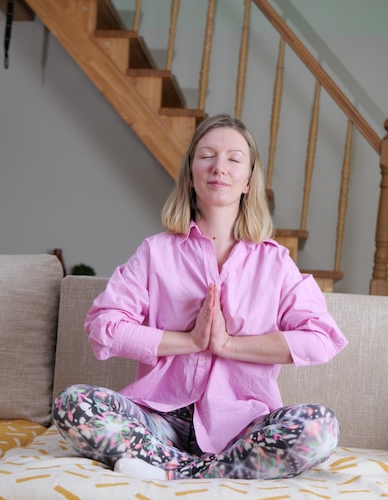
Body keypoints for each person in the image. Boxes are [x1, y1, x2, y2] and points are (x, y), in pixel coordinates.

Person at [53, 113, 348, 481]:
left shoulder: (275, 263)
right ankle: (205, 472)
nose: (219, 167)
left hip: (242, 428)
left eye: (234, 159)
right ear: (191, 173)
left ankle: (169, 472)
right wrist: (189, 340)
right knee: (73, 404)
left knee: (320, 428)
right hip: (159, 422)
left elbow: (322, 339)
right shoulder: (155, 252)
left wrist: (226, 345)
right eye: (207, 155)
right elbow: (104, 326)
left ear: (248, 181)